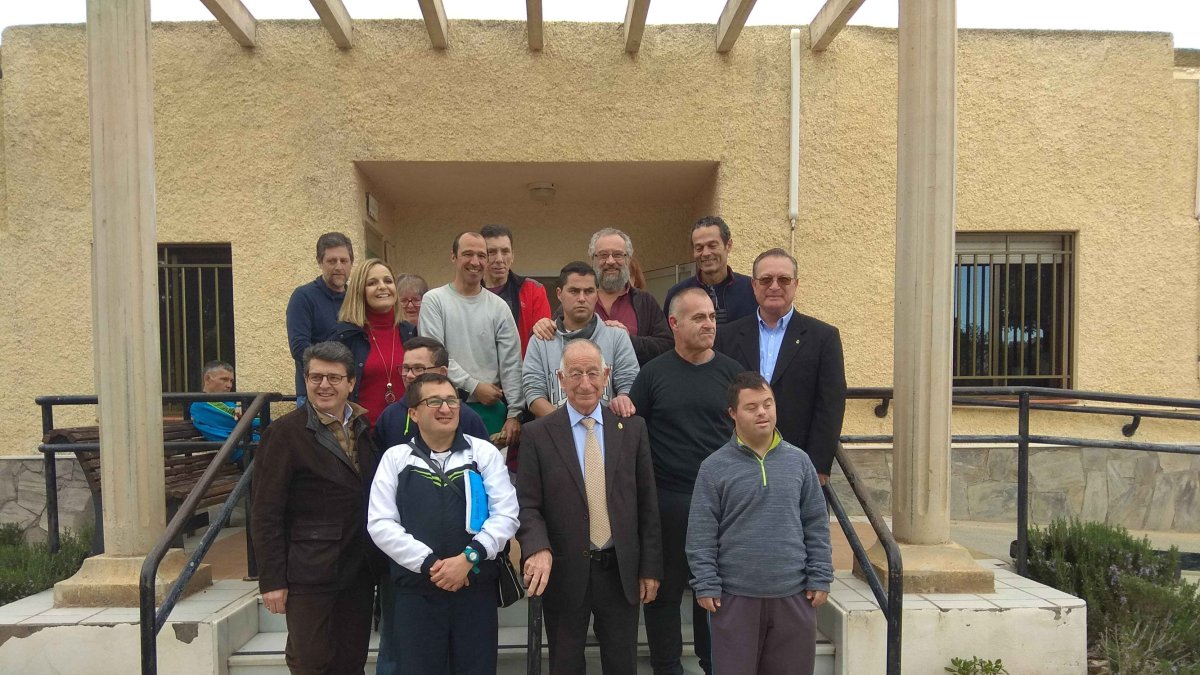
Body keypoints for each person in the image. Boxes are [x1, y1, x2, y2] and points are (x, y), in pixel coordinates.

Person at [517, 340, 663, 675]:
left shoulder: (633, 429)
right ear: (560, 378)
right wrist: (537, 547)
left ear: (607, 375)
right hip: (565, 571)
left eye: (593, 373)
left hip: (620, 569)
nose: (585, 383)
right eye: (576, 374)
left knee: (622, 663)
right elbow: (528, 505)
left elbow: (647, 503)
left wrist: (650, 567)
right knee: (565, 664)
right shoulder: (537, 434)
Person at [368, 372, 519, 675]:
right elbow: (381, 523)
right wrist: (431, 565)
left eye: (451, 400)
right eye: (434, 401)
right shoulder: (396, 458)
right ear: (413, 413)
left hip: (474, 589)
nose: (445, 408)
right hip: (416, 593)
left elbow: (506, 513)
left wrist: (469, 558)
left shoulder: (483, 453)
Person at [686, 372, 833, 675]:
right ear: (733, 414)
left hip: (793, 596)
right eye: (751, 407)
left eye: (768, 404)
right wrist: (705, 583)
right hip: (735, 599)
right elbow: (701, 533)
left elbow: (816, 524)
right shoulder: (714, 468)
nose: (763, 412)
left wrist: (820, 576)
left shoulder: (800, 462)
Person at [628, 288, 742, 675]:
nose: (709, 324)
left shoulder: (732, 374)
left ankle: (714, 665)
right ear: (674, 324)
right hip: (668, 503)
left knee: (714, 594)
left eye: (711, 317)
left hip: (722, 503)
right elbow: (633, 437)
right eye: (699, 318)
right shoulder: (653, 374)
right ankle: (667, 667)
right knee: (663, 593)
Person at [251, 341, 381, 675]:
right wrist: (272, 579)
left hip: (358, 568)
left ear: (351, 382)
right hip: (310, 570)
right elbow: (266, 512)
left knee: (351, 661)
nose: (324, 385)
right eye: (316, 377)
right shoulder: (284, 434)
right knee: (310, 661)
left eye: (334, 378)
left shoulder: (364, 429)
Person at [714, 248, 847, 484]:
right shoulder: (727, 336)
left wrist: (818, 465)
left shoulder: (823, 337)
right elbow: (720, 398)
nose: (774, 286)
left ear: (796, 284)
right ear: (754, 285)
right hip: (739, 462)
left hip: (800, 465)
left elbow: (831, 404)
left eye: (783, 279)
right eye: (766, 279)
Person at [419, 231, 525, 446]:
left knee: (488, 477)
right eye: (468, 254)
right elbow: (434, 357)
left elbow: (511, 362)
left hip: (492, 412)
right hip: (444, 407)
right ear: (453, 257)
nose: (475, 262)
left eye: (481, 255)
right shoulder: (434, 301)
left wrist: (515, 413)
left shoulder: (498, 307)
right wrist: (474, 386)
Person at [533, 228, 672, 366]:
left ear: (628, 259)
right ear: (593, 259)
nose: (610, 261)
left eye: (618, 255)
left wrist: (627, 340)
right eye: (603, 255)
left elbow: (667, 346)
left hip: (633, 387)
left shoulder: (645, 302)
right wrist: (543, 326)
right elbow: (552, 342)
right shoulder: (576, 302)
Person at [522, 261, 639, 419]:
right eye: (574, 291)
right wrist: (569, 427)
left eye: (589, 291)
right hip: (556, 435)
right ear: (559, 293)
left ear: (597, 295)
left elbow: (630, 385)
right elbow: (533, 394)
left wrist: (620, 404)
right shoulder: (540, 341)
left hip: (607, 434)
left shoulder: (616, 337)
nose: (582, 298)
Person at [328, 258, 417, 426]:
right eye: (372, 283)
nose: (382, 286)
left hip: (407, 434)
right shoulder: (344, 336)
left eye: (388, 281)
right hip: (362, 436)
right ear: (359, 291)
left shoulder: (411, 333)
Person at [374, 337, 490, 449]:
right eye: (405, 368)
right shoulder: (389, 417)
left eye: (418, 368)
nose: (409, 375)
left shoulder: (466, 417)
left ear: (442, 372)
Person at [286, 232, 354, 403]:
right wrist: (332, 374)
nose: (339, 267)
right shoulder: (303, 297)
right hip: (315, 394)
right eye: (332, 261)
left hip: (352, 392)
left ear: (351, 263)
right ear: (319, 262)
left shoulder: (356, 298)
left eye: (344, 261)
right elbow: (299, 348)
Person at [662, 216, 756, 326]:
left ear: (729, 245)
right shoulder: (678, 294)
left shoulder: (751, 289)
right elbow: (668, 340)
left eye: (712, 245)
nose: (706, 253)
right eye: (699, 248)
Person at [482, 223, 552, 357]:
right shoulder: (469, 293)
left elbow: (544, 341)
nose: (499, 259)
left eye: (505, 251)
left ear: (512, 256)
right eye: (491, 252)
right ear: (481, 256)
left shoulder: (533, 290)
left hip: (522, 372)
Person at [189, 360, 259, 460]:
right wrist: (261, 419)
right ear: (207, 378)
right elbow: (241, 420)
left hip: (252, 447)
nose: (229, 385)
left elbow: (247, 419)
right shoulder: (202, 404)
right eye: (224, 379)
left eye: (231, 381)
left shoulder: (226, 402)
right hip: (243, 452)